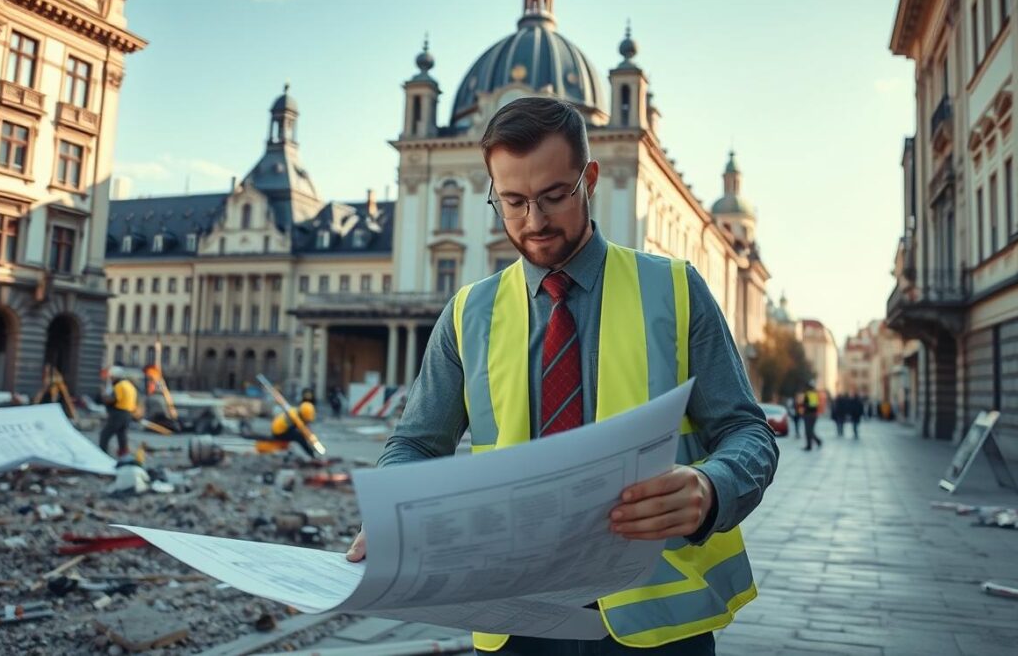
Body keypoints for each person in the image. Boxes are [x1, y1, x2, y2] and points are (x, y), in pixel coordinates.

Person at [345, 98, 778, 655]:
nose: (534, 221)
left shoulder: (674, 288)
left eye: (554, 196)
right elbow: (413, 443)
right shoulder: (467, 314)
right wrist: (392, 514)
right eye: (513, 202)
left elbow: (749, 432)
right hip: (514, 615)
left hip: (657, 622)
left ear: (590, 178)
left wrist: (711, 488)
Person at [261, 388, 318, 457]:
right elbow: (305, 431)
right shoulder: (296, 419)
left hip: (279, 429)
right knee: (299, 437)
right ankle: (312, 456)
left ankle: (309, 454)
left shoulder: (295, 411)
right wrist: (314, 443)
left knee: (298, 434)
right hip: (279, 433)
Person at [99, 366, 137, 457]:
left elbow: (113, 400)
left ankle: (101, 454)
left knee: (105, 434)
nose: (111, 379)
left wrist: (103, 395)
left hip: (118, 414)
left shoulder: (119, 385)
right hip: (128, 414)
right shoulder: (129, 385)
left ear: (115, 376)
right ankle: (124, 454)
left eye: (111, 377)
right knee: (122, 435)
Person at [802, 379, 822, 451]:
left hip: (809, 414)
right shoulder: (814, 393)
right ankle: (816, 442)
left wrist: (804, 406)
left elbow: (807, 405)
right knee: (810, 431)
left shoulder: (808, 394)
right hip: (813, 414)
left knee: (808, 431)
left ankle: (810, 445)